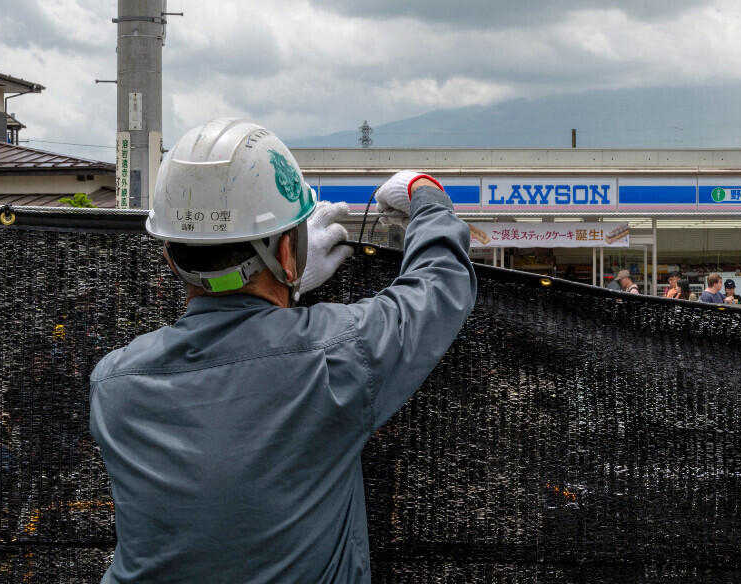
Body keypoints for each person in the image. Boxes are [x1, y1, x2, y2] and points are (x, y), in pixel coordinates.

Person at [88, 118, 478, 583]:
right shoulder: (335, 357)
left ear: (170, 256)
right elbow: (440, 285)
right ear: (290, 253)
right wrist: (425, 193)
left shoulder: (113, 385)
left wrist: (284, 287)